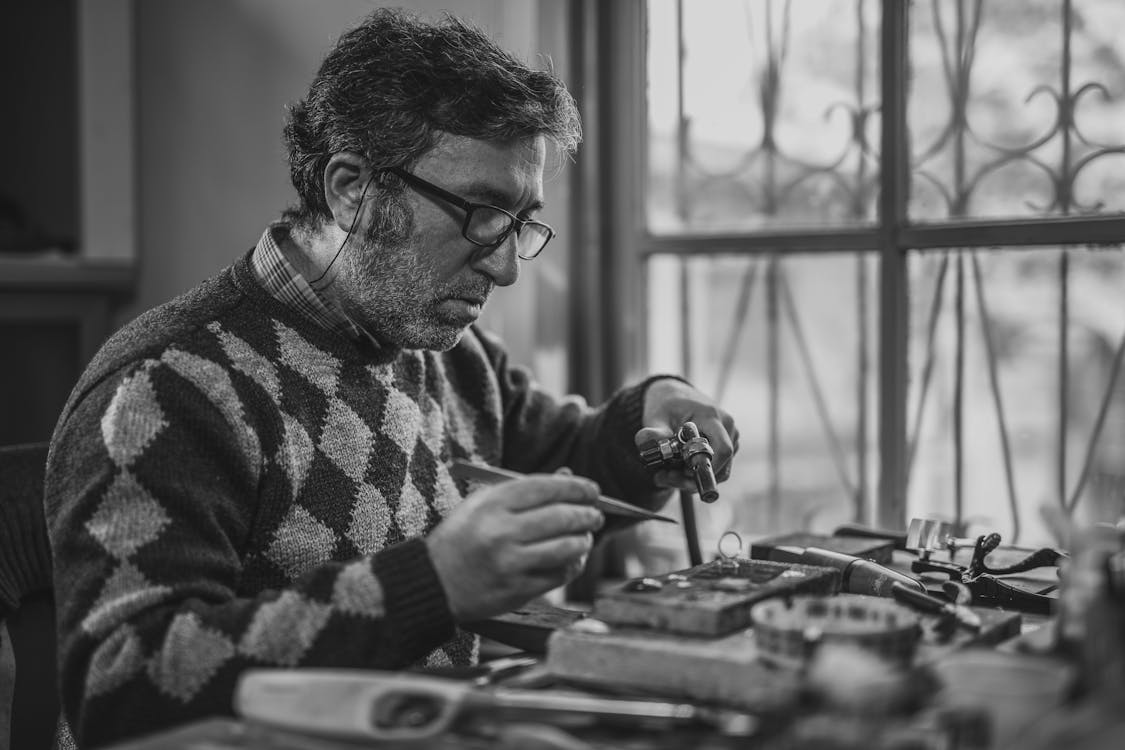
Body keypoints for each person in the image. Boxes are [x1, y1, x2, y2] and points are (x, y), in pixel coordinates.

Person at [44, 8, 738, 748]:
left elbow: (568, 461)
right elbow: (121, 689)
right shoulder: (166, 388)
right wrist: (429, 584)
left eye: (520, 222)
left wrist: (651, 420)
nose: (504, 266)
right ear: (350, 188)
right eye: (480, 213)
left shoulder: (444, 347)